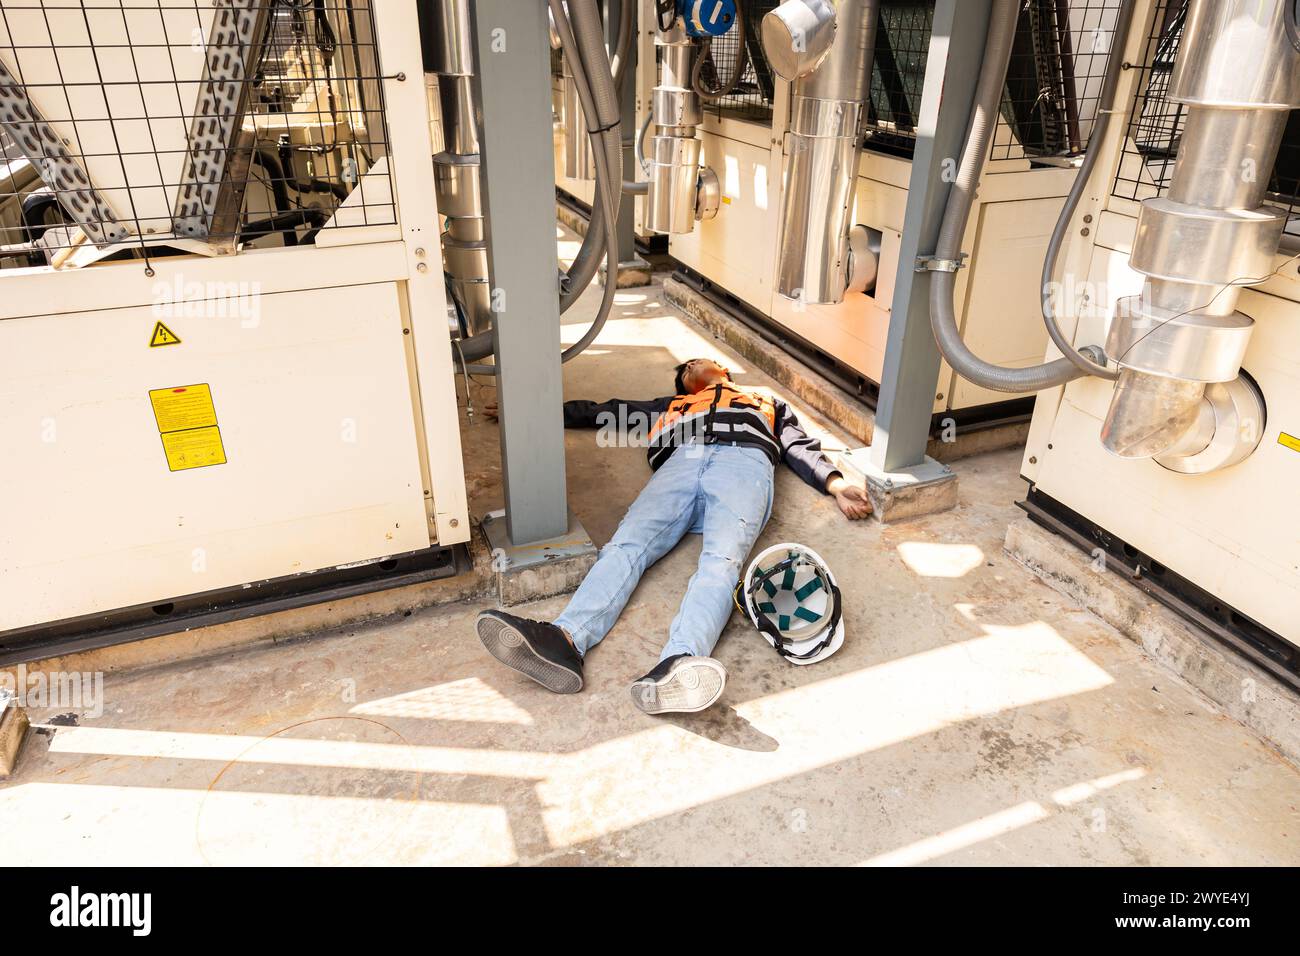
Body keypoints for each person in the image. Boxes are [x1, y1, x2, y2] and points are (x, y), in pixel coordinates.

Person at [475, 357, 872, 714]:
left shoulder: (764, 401)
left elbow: (797, 443)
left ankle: (680, 663)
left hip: (744, 462)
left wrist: (835, 484)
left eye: (694, 363)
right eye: (683, 371)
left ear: (722, 368)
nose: (688, 369)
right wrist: (538, 412)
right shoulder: (672, 406)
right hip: (682, 461)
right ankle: (563, 639)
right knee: (626, 544)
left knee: (722, 562)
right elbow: (608, 412)